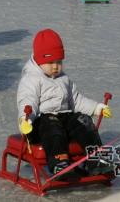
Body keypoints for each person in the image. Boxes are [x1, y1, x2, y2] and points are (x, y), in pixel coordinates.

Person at [17, 29, 113, 177]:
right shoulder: (31, 79)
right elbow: (28, 101)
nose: (55, 66)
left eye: (59, 62)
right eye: (50, 62)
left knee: (83, 121)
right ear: (39, 60)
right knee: (52, 124)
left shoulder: (64, 79)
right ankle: (59, 164)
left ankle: (96, 159)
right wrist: (26, 119)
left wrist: (96, 108)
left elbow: (76, 100)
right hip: (38, 125)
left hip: (62, 119)